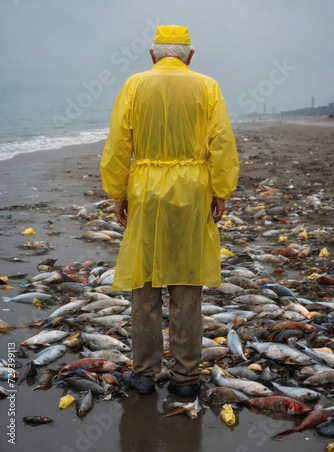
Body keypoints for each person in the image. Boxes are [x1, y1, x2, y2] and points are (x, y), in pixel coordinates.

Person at [100, 25, 239, 398]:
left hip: (145, 188)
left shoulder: (134, 84)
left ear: (152, 56)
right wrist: (221, 190)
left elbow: (117, 143)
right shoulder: (207, 86)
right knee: (186, 281)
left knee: (143, 281)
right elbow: (222, 142)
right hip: (193, 189)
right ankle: (186, 378)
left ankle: (144, 374)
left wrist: (118, 191)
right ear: (190, 56)